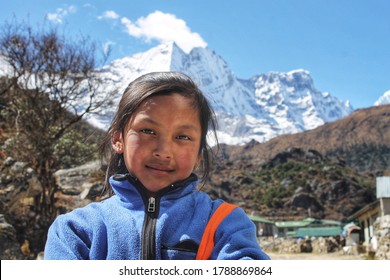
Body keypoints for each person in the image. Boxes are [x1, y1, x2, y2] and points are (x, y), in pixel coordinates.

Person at [44, 72, 270, 260]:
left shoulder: (225, 224)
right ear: (118, 139)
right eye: (148, 131)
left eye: (182, 137)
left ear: (199, 154)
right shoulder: (77, 231)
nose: (163, 151)